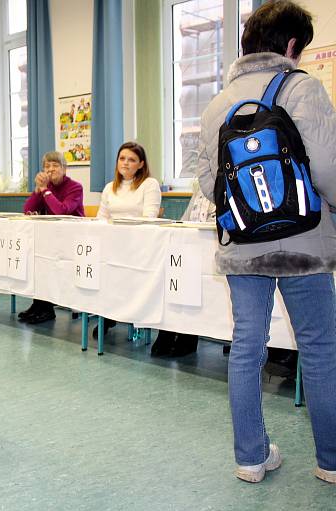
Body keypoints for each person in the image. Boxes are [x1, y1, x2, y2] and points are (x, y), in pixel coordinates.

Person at [197, 1, 336, 484]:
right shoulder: (304, 88)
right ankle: (332, 462)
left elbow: (207, 182)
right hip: (305, 241)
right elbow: (328, 170)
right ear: (292, 45)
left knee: (246, 346)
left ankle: (251, 459)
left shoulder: (218, 102)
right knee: (319, 349)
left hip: (242, 246)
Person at [95, 142, 161, 337]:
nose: (125, 163)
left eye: (131, 160)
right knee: (103, 270)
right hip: (113, 245)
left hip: (139, 247)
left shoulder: (149, 185)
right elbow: (101, 217)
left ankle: (133, 316)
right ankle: (107, 315)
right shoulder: (109, 187)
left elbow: (150, 217)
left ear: (141, 164)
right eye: (122, 159)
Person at [18, 151, 85, 324]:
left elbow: (61, 211)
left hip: (73, 239)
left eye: (55, 165)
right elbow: (27, 209)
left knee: (46, 260)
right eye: (47, 166)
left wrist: (46, 191)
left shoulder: (75, 187)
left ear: (64, 169)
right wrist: (37, 190)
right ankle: (39, 304)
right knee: (36, 258)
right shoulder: (46, 187)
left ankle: (46, 307)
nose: (50, 170)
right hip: (52, 238)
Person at [151, 181, 215, 357]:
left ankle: (188, 335)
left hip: (214, 249)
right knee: (171, 271)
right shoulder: (201, 190)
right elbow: (185, 221)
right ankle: (168, 330)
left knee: (191, 276)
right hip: (193, 248)